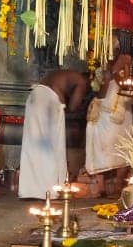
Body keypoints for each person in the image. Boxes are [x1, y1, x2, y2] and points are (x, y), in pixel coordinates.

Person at [17, 69, 87, 199]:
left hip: (34, 97)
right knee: (50, 148)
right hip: (48, 101)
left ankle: (30, 190)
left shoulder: (63, 74)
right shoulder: (81, 81)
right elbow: (73, 106)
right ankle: (49, 190)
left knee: (33, 146)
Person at [85, 54, 133, 197]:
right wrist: (111, 72)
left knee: (121, 148)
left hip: (121, 114)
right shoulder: (100, 68)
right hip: (102, 114)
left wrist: (123, 68)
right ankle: (100, 186)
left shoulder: (128, 67)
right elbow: (101, 94)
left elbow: (129, 87)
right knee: (99, 146)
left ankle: (119, 184)